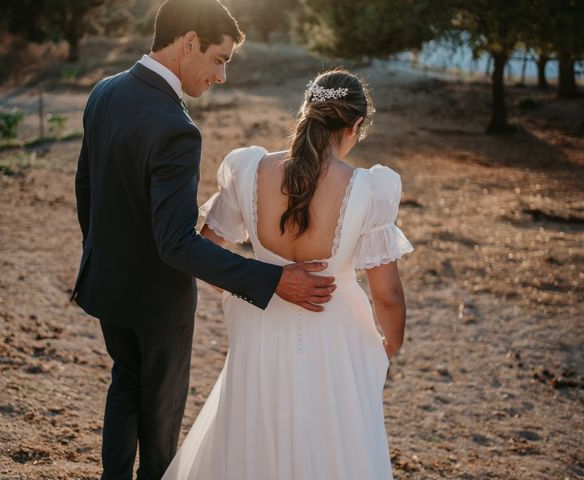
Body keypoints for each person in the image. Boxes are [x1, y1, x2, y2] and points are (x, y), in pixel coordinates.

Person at [70, 1, 336, 478]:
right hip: (158, 302)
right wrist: (272, 280)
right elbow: (176, 243)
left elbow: (85, 189)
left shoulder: (103, 92)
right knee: (161, 420)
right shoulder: (176, 129)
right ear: (188, 41)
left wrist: (104, 254)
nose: (221, 77)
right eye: (219, 59)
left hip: (108, 285)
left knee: (124, 383)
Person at [162, 68, 414, 479]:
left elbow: (206, 257)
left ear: (306, 113)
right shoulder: (371, 189)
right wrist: (391, 343)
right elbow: (387, 295)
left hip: (259, 325)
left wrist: (267, 278)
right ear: (356, 125)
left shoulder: (247, 170)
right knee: (331, 438)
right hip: (336, 333)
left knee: (255, 427)